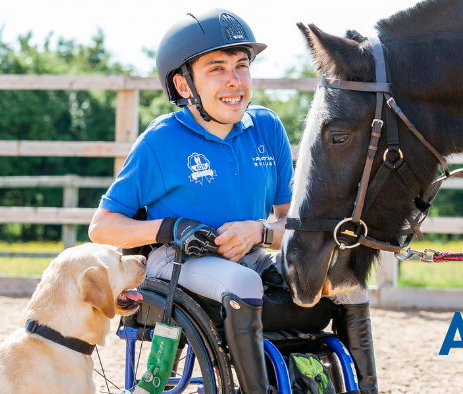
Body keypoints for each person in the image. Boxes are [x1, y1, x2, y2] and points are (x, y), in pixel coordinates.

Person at [87, 8, 378, 394]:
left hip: (251, 256)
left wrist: (257, 232)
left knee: (347, 282)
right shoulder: (160, 142)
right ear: (183, 83)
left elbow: (291, 226)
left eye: (242, 67)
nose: (234, 81)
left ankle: (368, 387)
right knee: (242, 281)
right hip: (175, 260)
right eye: (217, 69)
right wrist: (168, 227)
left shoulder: (267, 128)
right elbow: (101, 227)